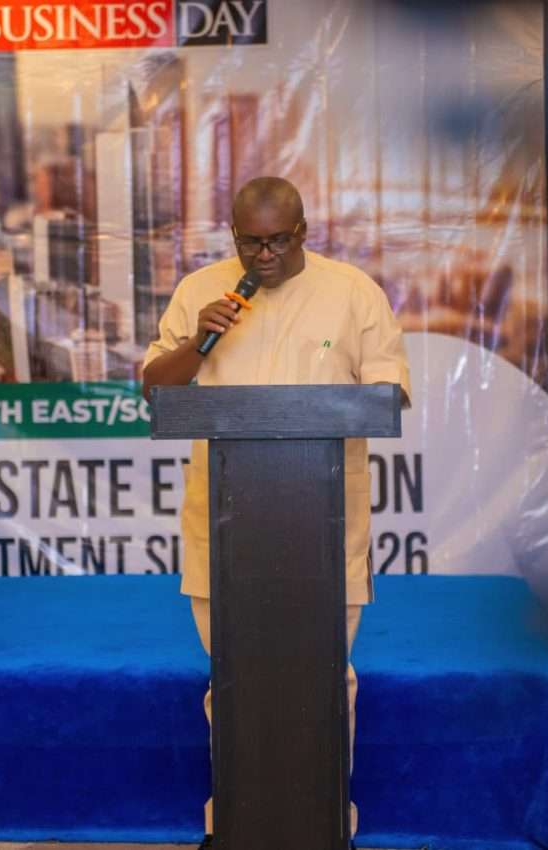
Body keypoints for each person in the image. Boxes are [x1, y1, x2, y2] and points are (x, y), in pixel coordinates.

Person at [143, 176, 411, 850]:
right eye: (250, 242)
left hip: (325, 532)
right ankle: (230, 827)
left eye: (278, 241)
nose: (263, 255)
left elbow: (390, 394)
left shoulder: (352, 292)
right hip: (224, 532)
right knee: (233, 684)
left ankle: (327, 827)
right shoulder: (201, 290)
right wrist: (198, 340)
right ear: (233, 235)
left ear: (303, 232)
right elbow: (156, 389)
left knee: (326, 684)